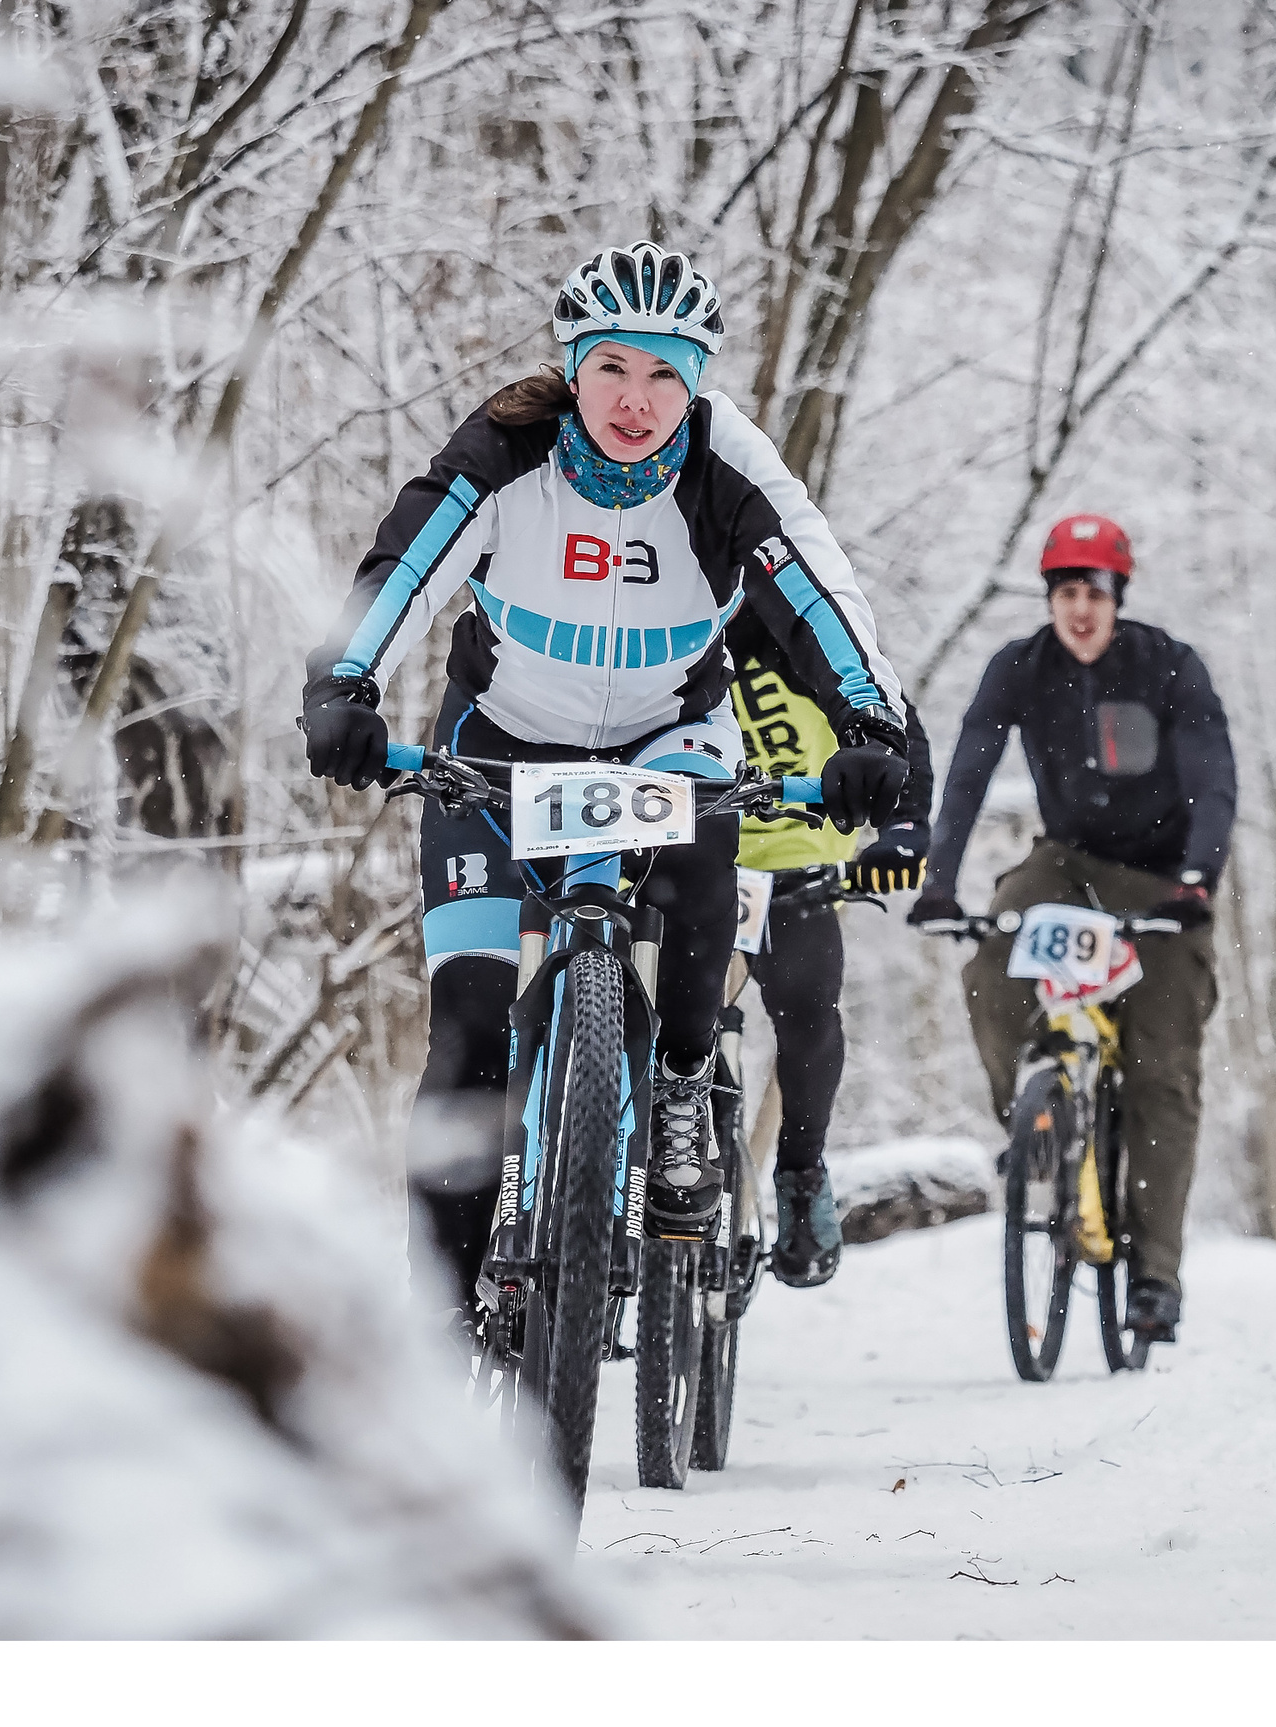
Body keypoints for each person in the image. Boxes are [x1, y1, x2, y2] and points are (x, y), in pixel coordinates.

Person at [301, 240, 911, 1309]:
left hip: (667, 735)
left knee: (698, 879)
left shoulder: (729, 463)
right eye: (613, 367)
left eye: (666, 374)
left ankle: (679, 1089)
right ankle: (436, 1325)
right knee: (468, 1026)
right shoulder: (506, 448)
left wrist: (870, 719)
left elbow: (819, 587)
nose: (637, 400)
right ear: (573, 366)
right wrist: (345, 685)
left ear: (698, 383)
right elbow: (403, 568)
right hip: (499, 743)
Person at [908, 513, 1235, 1344]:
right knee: (992, 964)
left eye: (1095, 594)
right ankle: (1036, 1126)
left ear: (1118, 598)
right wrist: (939, 881)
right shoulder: (1020, 669)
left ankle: (1155, 1275)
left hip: (1164, 882)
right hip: (1068, 865)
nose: (1080, 610)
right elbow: (970, 771)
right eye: (1066, 594)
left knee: (1162, 1071)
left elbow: (1213, 778)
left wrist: (1196, 879)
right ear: (1049, 599)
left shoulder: (1170, 666)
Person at [725, 605, 936, 1287]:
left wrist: (903, 829)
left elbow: (895, 722)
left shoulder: (801, 625)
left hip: (797, 863)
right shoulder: (656, 619)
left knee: (808, 1014)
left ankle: (800, 1173)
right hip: (688, 853)